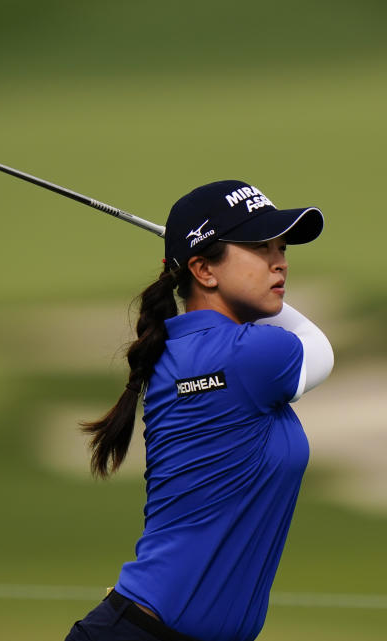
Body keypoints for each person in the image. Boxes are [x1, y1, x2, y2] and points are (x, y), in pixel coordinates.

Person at [65, 180, 334, 641]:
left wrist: (197, 267)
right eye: (258, 246)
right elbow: (321, 350)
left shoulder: (182, 348)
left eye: (282, 247)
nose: (281, 261)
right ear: (204, 270)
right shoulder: (245, 356)